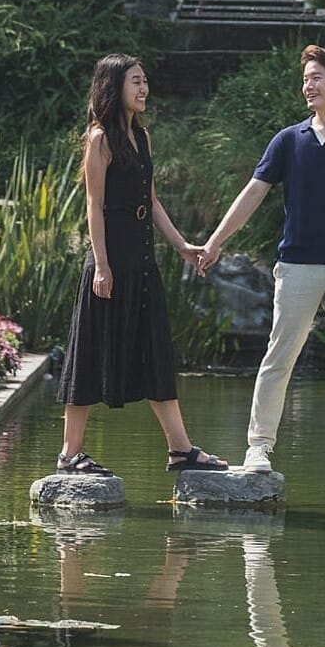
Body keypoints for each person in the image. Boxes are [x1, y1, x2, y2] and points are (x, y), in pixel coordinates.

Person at [196, 45, 325, 479]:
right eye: (306, 78)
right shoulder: (289, 140)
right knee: (279, 359)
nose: (307, 85)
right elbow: (253, 193)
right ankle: (258, 448)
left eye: (316, 78)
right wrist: (215, 241)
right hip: (295, 268)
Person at [53, 53, 229, 478]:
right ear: (113, 87)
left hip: (143, 262)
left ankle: (180, 450)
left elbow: (150, 201)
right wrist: (101, 266)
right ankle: (69, 455)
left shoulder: (143, 138)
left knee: (155, 352)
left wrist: (183, 245)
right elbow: (94, 206)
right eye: (135, 81)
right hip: (110, 262)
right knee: (90, 354)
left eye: (145, 80)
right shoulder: (99, 138)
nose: (144, 88)